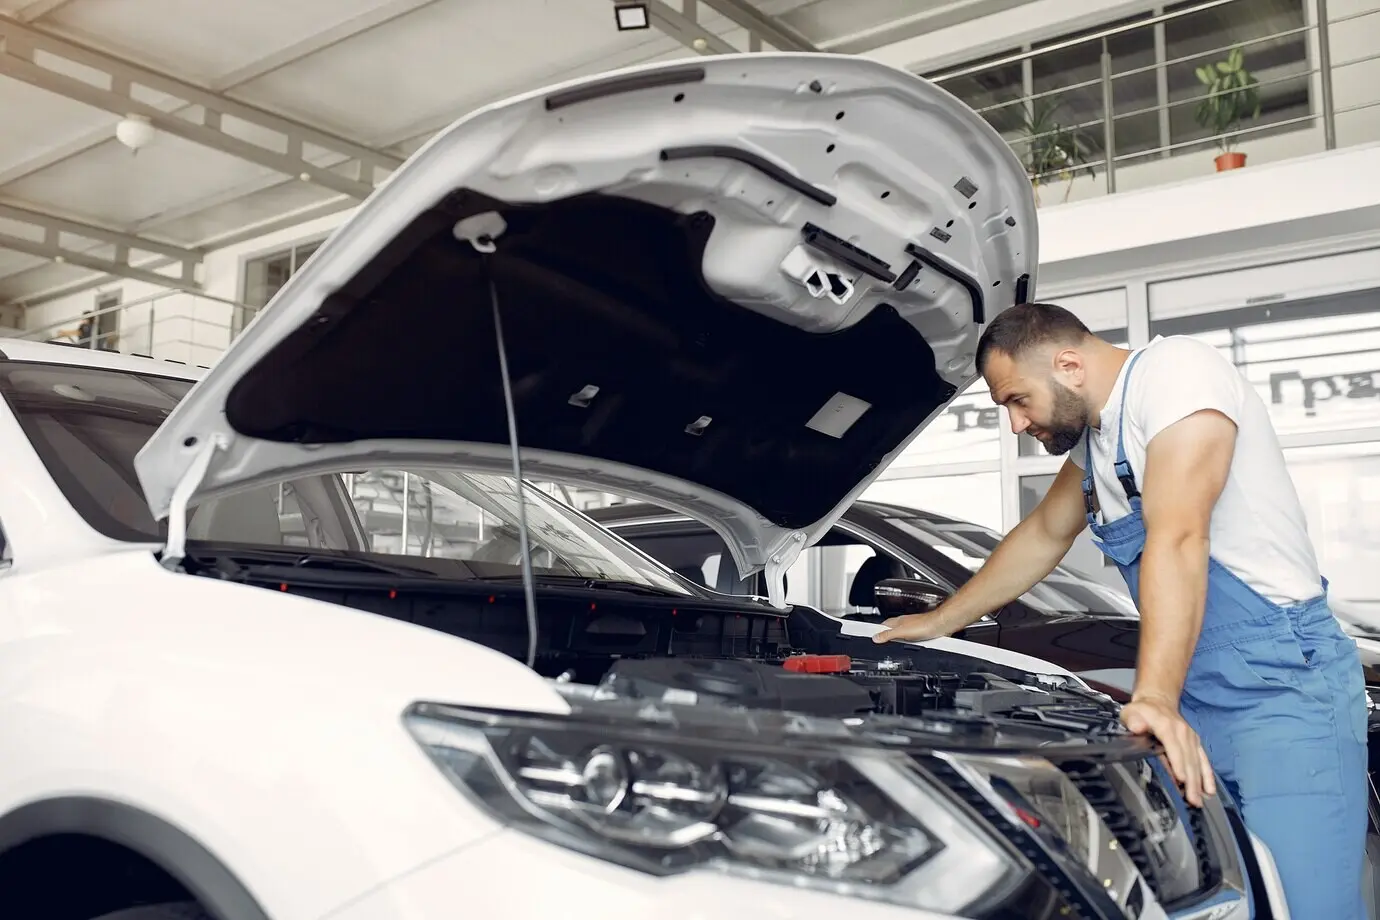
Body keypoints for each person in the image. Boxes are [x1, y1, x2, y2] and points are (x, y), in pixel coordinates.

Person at [874, 302, 1368, 917]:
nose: (1016, 424)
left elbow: (1180, 536)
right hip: (1194, 693)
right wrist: (940, 620)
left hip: (1282, 690)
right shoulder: (1098, 444)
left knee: (1304, 904)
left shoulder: (1178, 374)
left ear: (1069, 365)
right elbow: (1044, 535)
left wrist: (1154, 697)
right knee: (1213, 900)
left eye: (1017, 400)